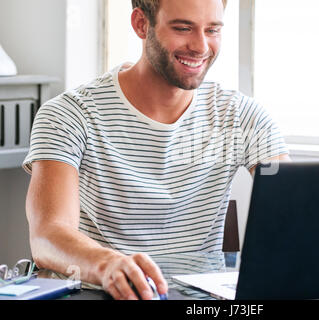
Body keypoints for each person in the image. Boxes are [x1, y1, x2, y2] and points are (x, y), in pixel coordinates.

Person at [23, 0, 290, 300]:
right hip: (100, 293)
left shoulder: (242, 116)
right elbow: (47, 235)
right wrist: (108, 264)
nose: (201, 46)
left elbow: (295, 212)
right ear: (140, 24)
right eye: (183, 28)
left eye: (212, 29)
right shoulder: (69, 114)